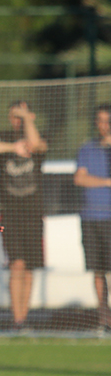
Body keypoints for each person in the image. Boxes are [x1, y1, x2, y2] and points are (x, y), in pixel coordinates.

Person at [0, 100, 47, 330]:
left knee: (30, 267)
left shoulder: (38, 136)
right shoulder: (4, 137)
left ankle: (24, 318)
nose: (17, 119)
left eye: (22, 115)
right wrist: (11, 147)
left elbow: (36, 144)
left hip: (34, 212)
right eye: (14, 115)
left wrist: (27, 118)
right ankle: (17, 320)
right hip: (10, 213)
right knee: (16, 264)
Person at [74, 103, 111, 330]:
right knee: (98, 269)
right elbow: (79, 178)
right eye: (99, 121)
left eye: (107, 121)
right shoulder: (87, 149)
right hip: (92, 218)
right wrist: (106, 182)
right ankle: (103, 318)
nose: (103, 126)